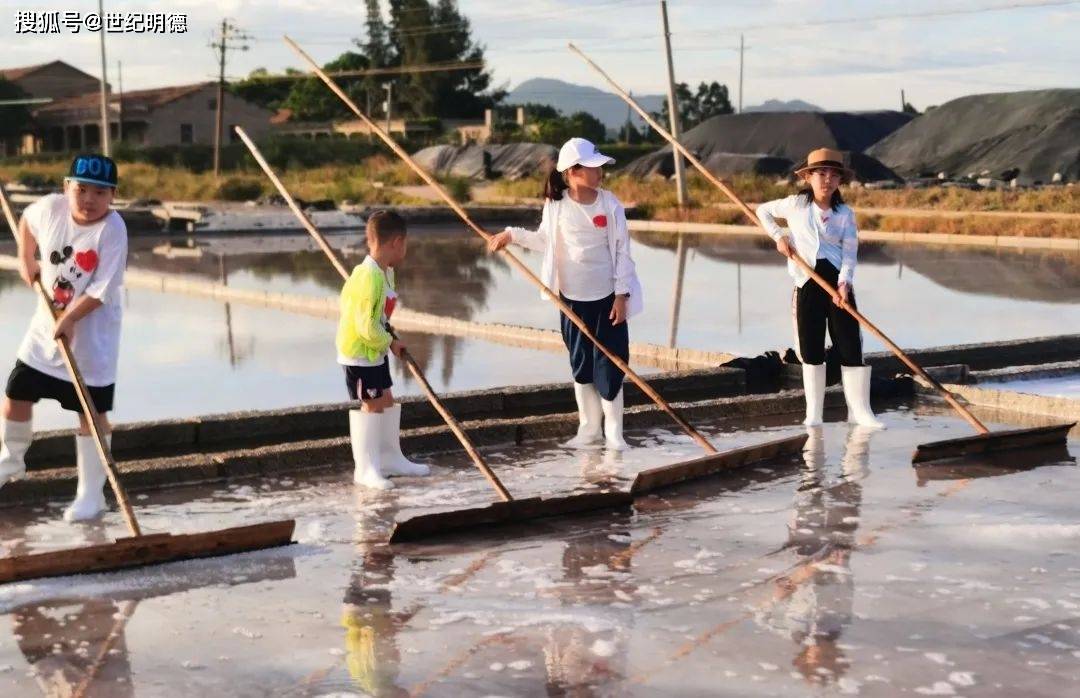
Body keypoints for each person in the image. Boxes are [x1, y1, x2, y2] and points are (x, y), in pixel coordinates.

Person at [488, 138, 643, 450]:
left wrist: (622, 295)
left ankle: (614, 433)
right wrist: (511, 235)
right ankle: (589, 430)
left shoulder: (609, 204)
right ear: (573, 172)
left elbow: (623, 252)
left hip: (606, 301)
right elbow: (545, 241)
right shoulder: (556, 206)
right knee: (581, 364)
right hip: (571, 300)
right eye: (593, 167)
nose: (600, 172)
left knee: (611, 364)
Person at [0, 153, 129, 521]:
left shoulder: (113, 229)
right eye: (81, 190)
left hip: (92, 336)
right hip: (45, 327)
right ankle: (10, 462)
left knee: (90, 410)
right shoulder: (51, 208)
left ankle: (91, 495)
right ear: (66, 188)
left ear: (113, 196)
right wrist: (26, 259)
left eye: (100, 193)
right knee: (15, 393)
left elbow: (103, 288)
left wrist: (71, 317)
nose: (89, 200)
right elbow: (25, 221)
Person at [756, 148, 884, 428]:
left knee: (850, 345)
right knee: (810, 348)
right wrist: (779, 237)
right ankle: (814, 413)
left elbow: (850, 252)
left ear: (839, 181)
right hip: (807, 281)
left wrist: (844, 284)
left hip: (837, 285)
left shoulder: (845, 214)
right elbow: (761, 210)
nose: (827, 180)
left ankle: (860, 412)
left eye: (833, 175)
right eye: (821, 174)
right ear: (809, 177)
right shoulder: (794, 206)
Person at [337, 210, 430, 489]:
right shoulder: (369, 277)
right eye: (406, 243)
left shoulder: (385, 273)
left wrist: (388, 337)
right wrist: (391, 343)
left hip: (373, 352)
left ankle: (390, 458)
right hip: (359, 354)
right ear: (397, 242)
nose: (406, 249)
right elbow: (365, 326)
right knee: (373, 404)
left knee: (386, 400)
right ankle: (365, 468)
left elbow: (380, 319)